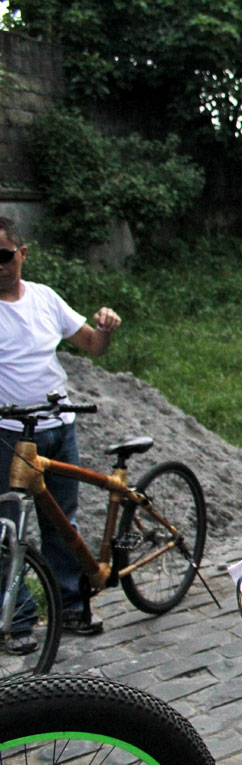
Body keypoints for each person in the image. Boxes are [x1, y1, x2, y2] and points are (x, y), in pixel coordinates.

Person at [0, 217, 122, 639]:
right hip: (10, 435)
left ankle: (70, 606)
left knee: (60, 523)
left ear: (22, 254)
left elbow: (91, 344)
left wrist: (105, 329)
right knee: (7, 528)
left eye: (4, 256)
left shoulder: (44, 299)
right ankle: (16, 619)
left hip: (58, 427)